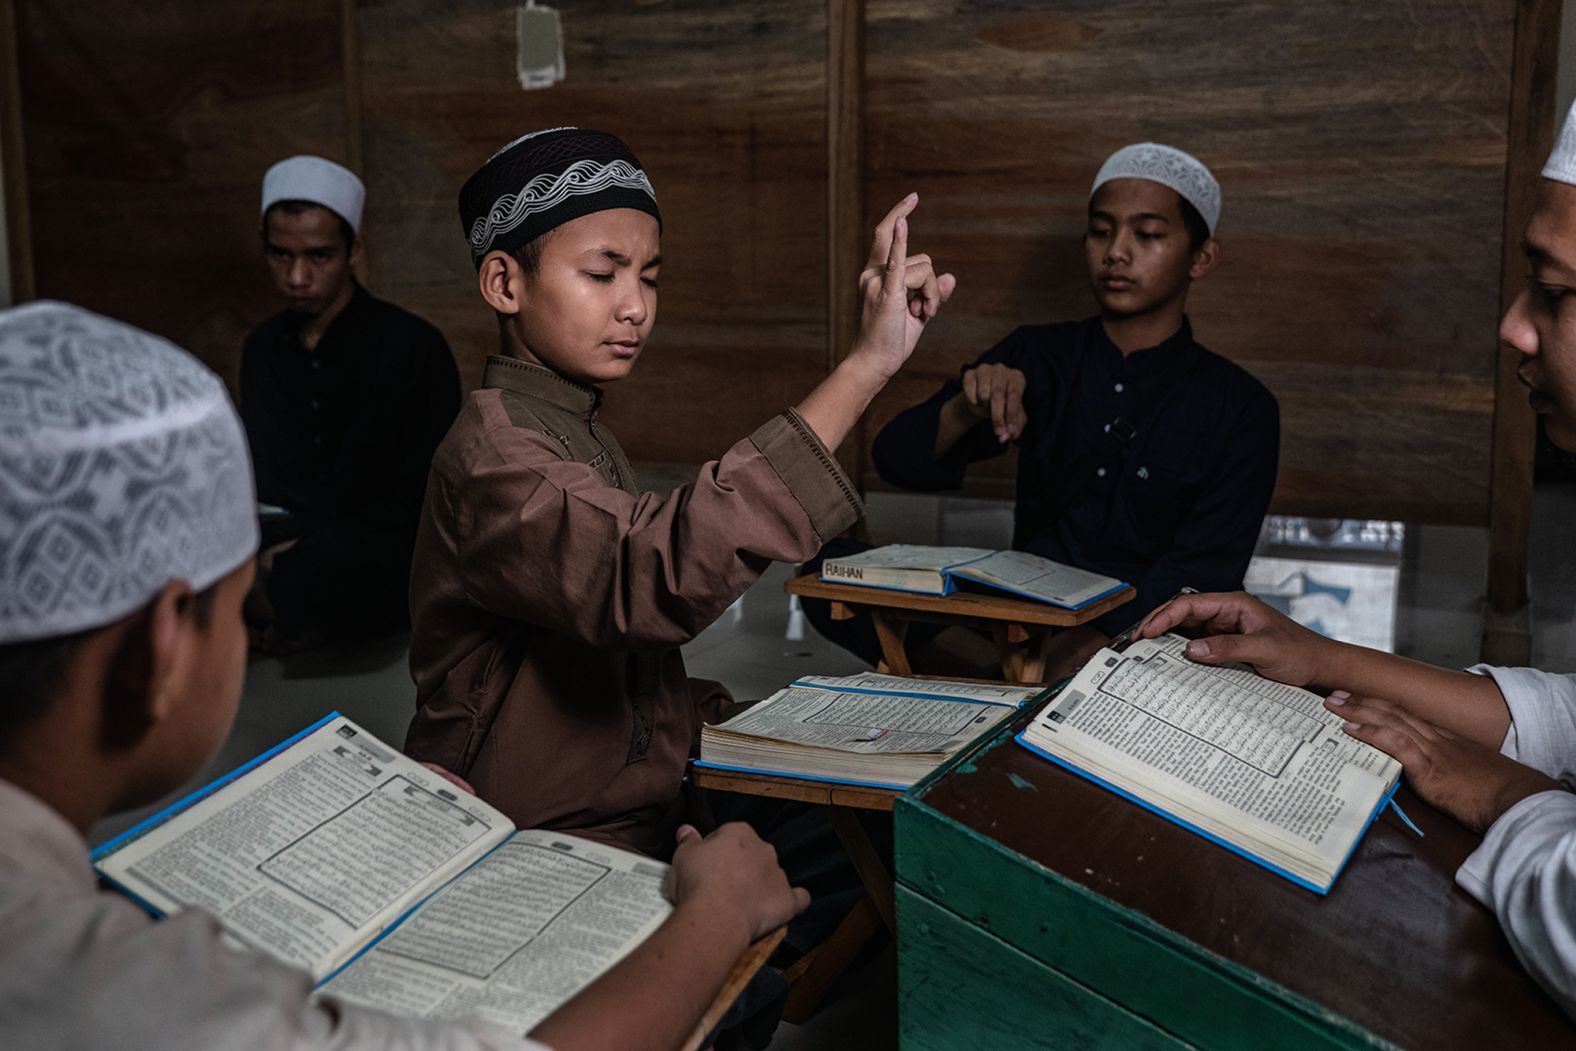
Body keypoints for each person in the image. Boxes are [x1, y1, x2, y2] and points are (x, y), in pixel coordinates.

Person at [0, 301, 811, 1051]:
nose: (631, 301)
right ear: (160, 648)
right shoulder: (139, 995)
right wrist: (719, 911)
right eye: (244, 599)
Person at [1132, 100, 1576, 1024]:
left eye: (1557, 292)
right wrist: (1320, 657)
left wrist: (1509, 795)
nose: (1513, 329)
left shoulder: (1236, 404)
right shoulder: (1040, 363)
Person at [404, 127, 952, 857]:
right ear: (506, 283)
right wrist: (866, 368)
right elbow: (644, 572)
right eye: (604, 274)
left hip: (645, 794)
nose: (636, 306)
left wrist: (760, 720)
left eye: (650, 276)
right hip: (543, 833)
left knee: (903, 827)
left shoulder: (573, 425)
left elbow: (619, 679)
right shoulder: (494, 455)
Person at [816, 142, 1279, 679]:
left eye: (1147, 234)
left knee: (1184, 633)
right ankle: (1021, 685)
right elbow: (895, 460)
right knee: (829, 568)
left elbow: (1206, 571)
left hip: (1146, 641)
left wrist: (1087, 650)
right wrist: (967, 408)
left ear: (1201, 257)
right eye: (1101, 231)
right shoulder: (1038, 355)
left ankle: (1016, 684)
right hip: (1019, 615)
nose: (1116, 253)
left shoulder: (1242, 405)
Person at [241, 155, 461, 652]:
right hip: (284, 534)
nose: (297, 276)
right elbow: (262, 477)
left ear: (353, 249)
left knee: (357, 569)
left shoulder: (412, 345)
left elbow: (424, 497)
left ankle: (279, 614)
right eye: (280, 255)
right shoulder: (262, 348)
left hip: (376, 544)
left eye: (318, 256)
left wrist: (301, 555)